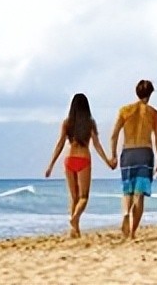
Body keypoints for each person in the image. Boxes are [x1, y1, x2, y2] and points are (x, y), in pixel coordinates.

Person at [45, 93, 116, 237]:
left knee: (74, 197)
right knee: (84, 197)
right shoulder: (90, 123)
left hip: (69, 159)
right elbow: (96, 145)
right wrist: (108, 161)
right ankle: (74, 219)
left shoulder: (67, 123)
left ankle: (74, 230)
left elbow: (60, 144)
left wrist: (51, 165)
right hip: (83, 159)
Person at [110, 79, 157, 238]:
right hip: (145, 153)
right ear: (150, 94)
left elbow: (114, 135)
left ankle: (126, 213)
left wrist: (113, 155)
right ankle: (133, 232)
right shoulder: (154, 114)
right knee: (139, 194)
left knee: (127, 190)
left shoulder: (125, 110)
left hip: (128, 152)